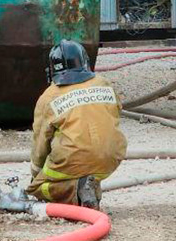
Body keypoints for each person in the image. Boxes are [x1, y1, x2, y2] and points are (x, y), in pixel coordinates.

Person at [27, 40, 127, 210]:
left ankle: (78, 189)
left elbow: (40, 144)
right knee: (86, 165)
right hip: (112, 158)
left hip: (74, 161)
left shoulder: (48, 97)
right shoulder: (104, 83)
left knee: (37, 189)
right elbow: (114, 115)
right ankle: (88, 186)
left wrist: (37, 175)